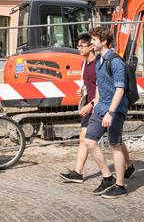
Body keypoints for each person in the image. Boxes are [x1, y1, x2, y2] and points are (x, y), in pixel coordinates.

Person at [84, 26, 135, 198]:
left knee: (115, 145)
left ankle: (120, 186)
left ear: (104, 41)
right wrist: (94, 105)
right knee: (90, 141)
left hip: (115, 109)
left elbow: (120, 89)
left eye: (94, 39)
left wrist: (110, 113)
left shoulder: (115, 61)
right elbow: (100, 86)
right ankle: (107, 177)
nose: (91, 42)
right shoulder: (98, 60)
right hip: (100, 109)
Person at [59, 33, 97, 183]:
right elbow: (88, 84)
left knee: (116, 142)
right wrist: (83, 91)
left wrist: (92, 103)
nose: (78, 48)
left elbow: (103, 88)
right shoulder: (84, 64)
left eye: (81, 46)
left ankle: (128, 165)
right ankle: (78, 172)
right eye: (78, 45)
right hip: (89, 105)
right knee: (83, 139)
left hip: (99, 106)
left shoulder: (99, 63)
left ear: (91, 46)